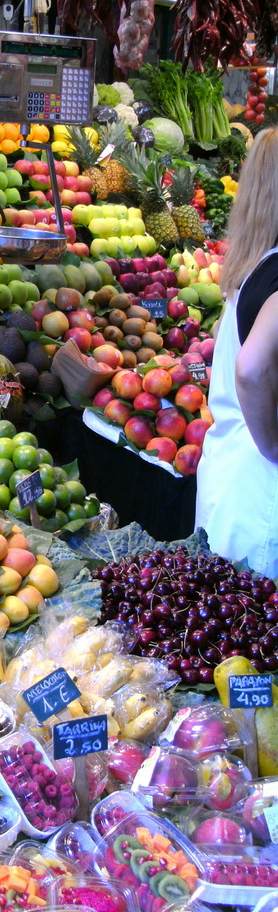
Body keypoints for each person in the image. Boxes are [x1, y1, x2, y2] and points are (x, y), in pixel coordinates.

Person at [195, 126, 278, 576]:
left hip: (228, 479)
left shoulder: (254, 265)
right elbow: (251, 369)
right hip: (263, 496)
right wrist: (273, 446)